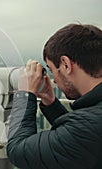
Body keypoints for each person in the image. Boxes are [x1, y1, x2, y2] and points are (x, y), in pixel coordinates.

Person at [6, 23, 102, 169]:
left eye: (52, 70)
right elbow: (76, 138)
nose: (54, 80)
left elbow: (17, 150)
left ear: (65, 64)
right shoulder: (93, 118)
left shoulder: (89, 127)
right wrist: (50, 102)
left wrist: (25, 94)